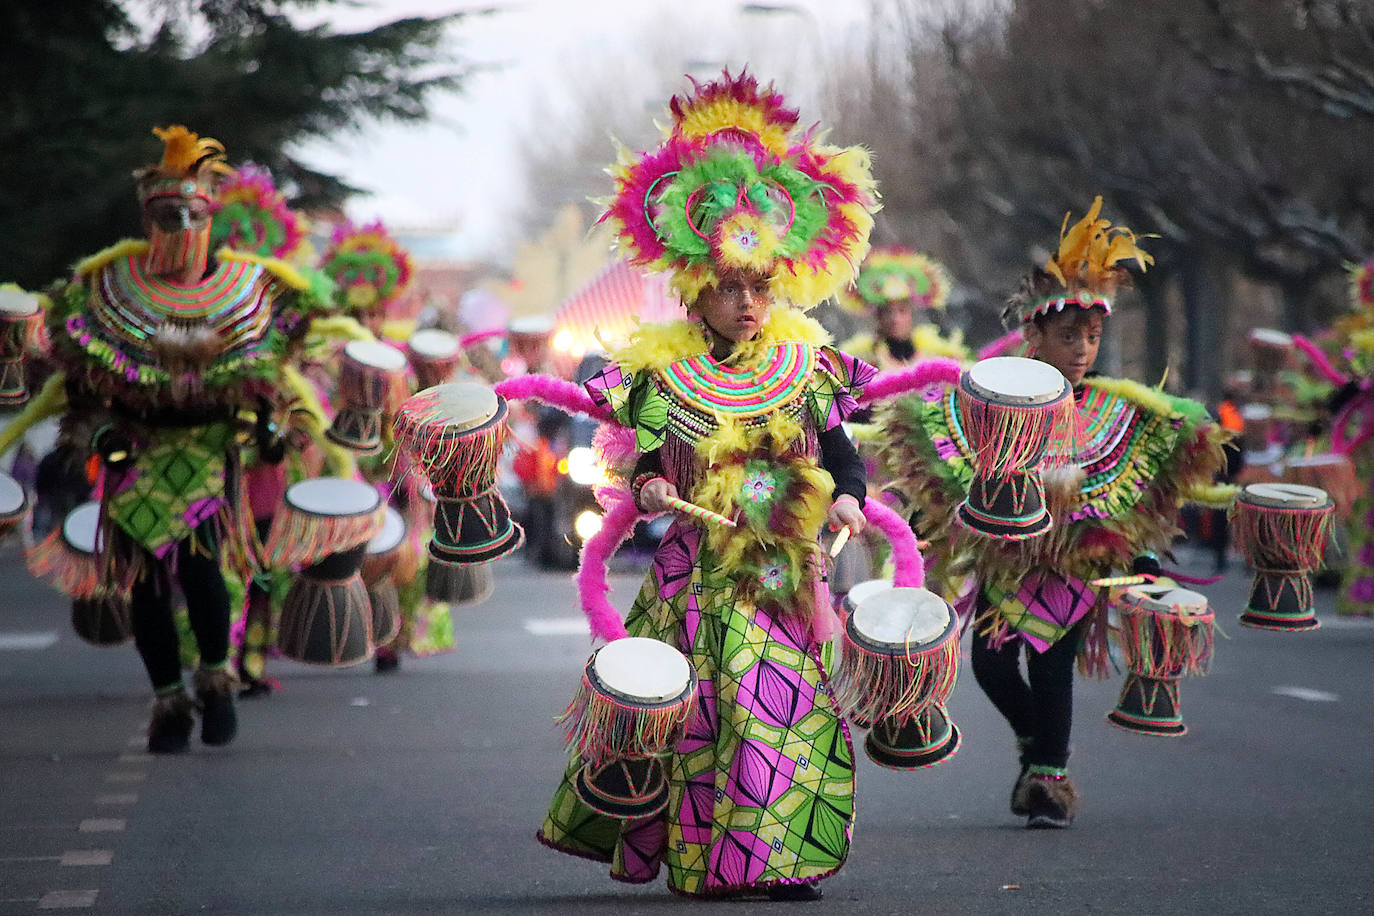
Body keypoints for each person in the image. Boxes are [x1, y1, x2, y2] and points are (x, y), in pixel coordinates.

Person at [535, 69, 880, 900]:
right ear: (698, 289)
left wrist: (848, 497)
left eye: (761, 287)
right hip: (697, 576)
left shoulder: (806, 368)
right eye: (731, 288)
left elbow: (841, 452)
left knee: (787, 711)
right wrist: (650, 486)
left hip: (782, 571)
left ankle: (779, 858)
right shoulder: (661, 374)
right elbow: (645, 460)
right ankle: (711, 859)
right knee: (698, 721)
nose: (748, 303)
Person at [876, 197, 1232, 828]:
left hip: (1072, 562)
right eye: (1069, 336)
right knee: (987, 663)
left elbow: (1136, 488)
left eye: (1092, 338)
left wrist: (1139, 554)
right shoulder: (991, 399)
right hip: (1007, 558)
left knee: (1052, 665)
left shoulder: (1109, 409)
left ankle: (1049, 781)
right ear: (1033, 336)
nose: (1082, 350)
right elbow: (944, 454)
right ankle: (1037, 748)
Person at [0, 126, 333, 751]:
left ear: (210, 216)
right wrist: (100, 433)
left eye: (191, 212)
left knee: (205, 573)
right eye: (166, 213)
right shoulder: (106, 288)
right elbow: (82, 389)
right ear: (147, 217)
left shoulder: (246, 290)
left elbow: (271, 381)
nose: (180, 224)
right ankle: (168, 699)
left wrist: (267, 427)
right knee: (145, 582)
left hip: (209, 455)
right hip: (137, 454)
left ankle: (215, 680)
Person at [840, 247, 966, 368]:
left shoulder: (937, 356)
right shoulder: (862, 361)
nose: (895, 319)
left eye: (902, 311)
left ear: (911, 313)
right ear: (878, 317)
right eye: (887, 312)